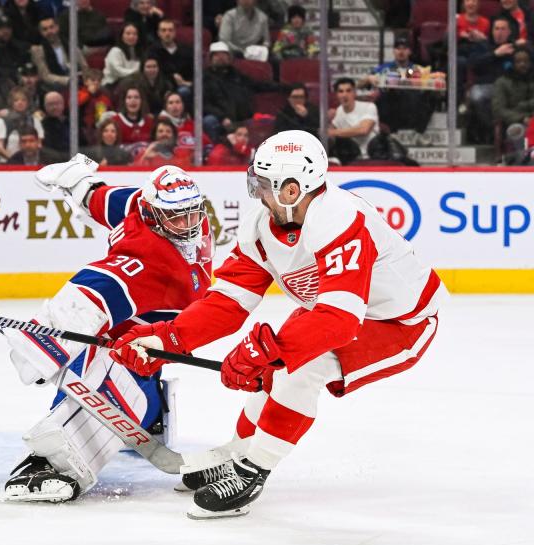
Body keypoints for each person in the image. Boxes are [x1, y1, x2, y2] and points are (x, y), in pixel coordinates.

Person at [110, 130, 446, 519]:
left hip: (400, 322)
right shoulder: (260, 226)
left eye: (263, 184)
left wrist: (268, 350)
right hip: (334, 310)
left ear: (291, 190)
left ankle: (254, 470)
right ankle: (236, 455)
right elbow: (228, 302)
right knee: (278, 369)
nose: (256, 192)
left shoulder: (339, 218)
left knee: (302, 367)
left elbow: (339, 320)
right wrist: (167, 338)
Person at [2, 156, 215, 503]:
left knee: (131, 363)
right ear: (153, 214)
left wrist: (78, 181)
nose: (188, 223)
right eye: (176, 215)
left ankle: (133, 423)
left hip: (154, 330)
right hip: (136, 332)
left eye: (192, 211)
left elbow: (101, 199)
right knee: (110, 362)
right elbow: (94, 290)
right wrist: (42, 346)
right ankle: (51, 461)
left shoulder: (148, 221)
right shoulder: (149, 250)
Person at [369, 36, 437, 133]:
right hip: (391, 110)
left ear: (409, 51)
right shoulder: (384, 68)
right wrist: (369, 78)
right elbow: (362, 83)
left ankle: (419, 129)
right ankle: (390, 129)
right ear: (393, 51)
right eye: (398, 48)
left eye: (404, 48)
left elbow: (413, 78)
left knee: (430, 95)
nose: (401, 52)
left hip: (411, 108)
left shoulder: (415, 69)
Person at [31, 16, 89, 92]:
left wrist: (85, 78)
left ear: (57, 27)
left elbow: (84, 66)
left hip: (77, 79)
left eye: (51, 27)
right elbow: (45, 76)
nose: (49, 31)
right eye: (45, 29)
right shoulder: (37, 50)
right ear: (41, 33)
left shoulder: (69, 44)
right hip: (55, 85)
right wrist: (68, 80)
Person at [327, 77, 378, 162]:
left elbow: (363, 130)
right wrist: (327, 121)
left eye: (348, 91)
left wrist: (332, 132)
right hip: (350, 158)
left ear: (354, 93)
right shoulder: (338, 111)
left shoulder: (369, 107)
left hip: (371, 157)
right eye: (341, 91)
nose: (344, 95)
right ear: (336, 95)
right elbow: (330, 136)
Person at [0, 87, 45, 161]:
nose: (20, 102)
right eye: (16, 100)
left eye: (23, 100)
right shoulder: (1, 121)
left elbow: (39, 143)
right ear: (11, 103)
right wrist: (14, 161)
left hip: (31, 163)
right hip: (7, 163)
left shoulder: (35, 121)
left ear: (28, 102)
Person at [146, 19, 193, 100]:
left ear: (175, 33)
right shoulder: (152, 51)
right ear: (158, 33)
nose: (167, 33)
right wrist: (172, 77)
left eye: (170, 30)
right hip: (160, 87)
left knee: (185, 91)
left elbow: (193, 71)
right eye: (163, 30)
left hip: (183, 86)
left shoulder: (186, 50)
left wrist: (187, 83)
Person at [492, 48, 534, 130]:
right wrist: (522, 118)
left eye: (526, 61)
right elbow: (499, 110)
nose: (523, 64)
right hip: (515, 122)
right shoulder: (502, 82)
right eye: (518, 62)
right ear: (512, 64)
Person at [112, 85, 154, 149]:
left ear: (142, 101)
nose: (133, 100)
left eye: (136, 97)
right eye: (129, 97)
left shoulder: (149, 121)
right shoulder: (115, 121)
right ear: (124, 101)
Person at [104, 23, 143, 88]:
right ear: (121, 35)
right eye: (128, 34)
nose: (131, 36)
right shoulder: (115, 51)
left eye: (134, 34)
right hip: (113, 84)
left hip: (133, 81)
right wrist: (137, 71)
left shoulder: (139, 51)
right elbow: (118, 72)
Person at [0, 16, 30, 80]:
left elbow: (25, 66)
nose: (6, 31)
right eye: (1, 28)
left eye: (8, 28)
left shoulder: (18, 47)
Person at [40, 91, 69, 157]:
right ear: (45, 106)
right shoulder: (42, 125)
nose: (54, 107)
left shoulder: (71, 122)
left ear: (63, 104)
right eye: (50, 104)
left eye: (57, 103)